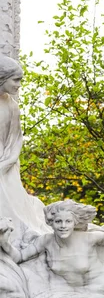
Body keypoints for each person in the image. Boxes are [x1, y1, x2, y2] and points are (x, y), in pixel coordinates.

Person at [0, 55, 48, 237]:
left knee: (16, 208)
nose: (19, 84)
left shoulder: (11, 105)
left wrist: (8, 162)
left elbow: (16, 138)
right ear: (2, 77)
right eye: (16, 79)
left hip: (7, 163)